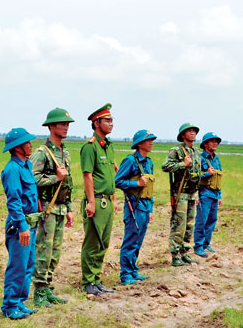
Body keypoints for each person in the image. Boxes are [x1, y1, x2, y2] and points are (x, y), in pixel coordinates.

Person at [30, 108, 75, 308]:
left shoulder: (65, 152)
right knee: (44, 250)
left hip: (60, 207)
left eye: (67, 124)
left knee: (55, 251)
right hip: (47, 208)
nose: (65, 127)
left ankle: (47, 286)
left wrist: (70, 207)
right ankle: (39, 290)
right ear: (51, 127)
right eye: (61, 124)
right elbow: (32, 179)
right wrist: (55, 178)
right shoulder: (42, 153)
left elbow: (69, 182)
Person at [0, 128, 41, 319]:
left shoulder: (26, 165)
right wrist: (22, 226)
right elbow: (14, 201)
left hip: (31, 222)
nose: (31, 145)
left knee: (28, 264)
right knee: (18, 265)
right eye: (27, 142)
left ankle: (20, 301)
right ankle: (10, 305)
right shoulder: (12, 169)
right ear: (17, 147)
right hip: (20, 225)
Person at [79, 103, 117, 295]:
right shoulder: (90, 147)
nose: (111, 124)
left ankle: (96, 279)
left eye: (112, 120)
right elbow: (88, 176)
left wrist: (115, 199)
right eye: (107, 120)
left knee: (104, 242)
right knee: (93, 242)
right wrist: (91, 202)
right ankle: (88, 281)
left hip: (108, 201)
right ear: (96, 123)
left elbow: (111, 174)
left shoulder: (109, 147)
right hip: (97, 201)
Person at [114, 130, 157, 285]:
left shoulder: (149, 162)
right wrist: (136, 184)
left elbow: (150, 188)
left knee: (138, 240)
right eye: (148, 140)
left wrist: (151, 208)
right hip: (134, 205)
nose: (151, 142)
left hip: (145, 206)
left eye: (152, 140)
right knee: (131, 239)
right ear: (139, 144)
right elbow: (118, 181)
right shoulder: (130, 161)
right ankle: (125, 274)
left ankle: (133, 270)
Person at [162, 122, 202, 267]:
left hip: (192, 194)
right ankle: (175, 255)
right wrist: (182, 165)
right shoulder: (177, 151)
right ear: (183, 135)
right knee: (179, 225)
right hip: (181, 194)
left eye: (194, 131)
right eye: (189, 131)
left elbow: (197, 172)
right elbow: (165, 166)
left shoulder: (196, 152)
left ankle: (185, 252)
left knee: (189, 226)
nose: (192, 133)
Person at [194, 132, 224, 257]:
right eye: (212, 141)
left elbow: (219, 177)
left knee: (212, 220)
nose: (215, 143)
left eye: (216, 141)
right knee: (202, 220)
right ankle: (198, 246)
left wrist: (220, 196)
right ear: (205, 144)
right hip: (204, 193)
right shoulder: (200, 159)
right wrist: (206, 173)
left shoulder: (216, 159)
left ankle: (206, 244)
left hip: (215, 194)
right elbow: (194, 176)